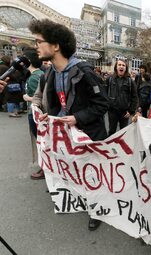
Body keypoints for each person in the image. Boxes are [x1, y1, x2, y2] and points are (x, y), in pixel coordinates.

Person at [28, 18, 109, 231]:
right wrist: (48, 117)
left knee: (92, 176)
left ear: (56, 46)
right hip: (65, 137)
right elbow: (54, 104)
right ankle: (75, 198)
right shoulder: (50, 73)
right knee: (75, 172)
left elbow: (103, 104)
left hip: (88, 135)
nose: (36, 46)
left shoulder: (85, 72)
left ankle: (96, 210)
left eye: (39, 41)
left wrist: (77, 118)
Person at [22, 47, 45, 180]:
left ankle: (44, 168)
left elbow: (42, 97)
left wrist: (27, 98)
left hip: (35, 113)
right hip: (35, 113)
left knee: (41, 143)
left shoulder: (35, 77)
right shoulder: (38, 74)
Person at [106, 58, 138, 135]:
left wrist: (131, 111)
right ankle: (110, 146)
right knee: (111, 131)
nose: (121, 66)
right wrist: (106, 106)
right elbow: (104, 93)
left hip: (125, 113)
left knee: (123, 133)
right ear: (116, 67)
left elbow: (135, 97)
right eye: (119, 65)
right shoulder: (109, 79)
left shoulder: (130, 81)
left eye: (123, 65)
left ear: (126, 68)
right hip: (112, 111)